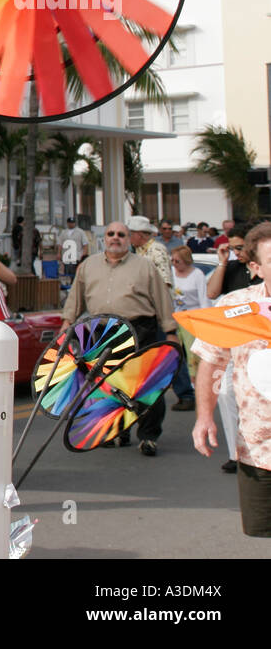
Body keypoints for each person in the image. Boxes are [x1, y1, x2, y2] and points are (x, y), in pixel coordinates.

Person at [61, 221, 179, 456]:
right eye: (111, 234)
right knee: (108, 385)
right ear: (104, 238)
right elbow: (76, 298)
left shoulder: (145, 267)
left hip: (139, 328)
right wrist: (67, 324)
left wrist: (170, 331)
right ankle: (117, 433)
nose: (116, 238)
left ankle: (148, 436)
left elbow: (162, 299)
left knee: (145, 385)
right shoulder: (88, 266)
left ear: (129, 239)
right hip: (102, 331)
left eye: (121, 234)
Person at [191, 220, 271, 536]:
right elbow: (210, 365)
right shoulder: (234, 306)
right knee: (262, 532)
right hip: (258, 448)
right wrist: (204, 417)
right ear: (256, 267)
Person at [169, 246, 206, 412]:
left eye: (178, 261)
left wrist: (204, 322)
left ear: (187, 261)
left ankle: (198, 389)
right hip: (175, 318)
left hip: (193, 318)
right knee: (176, 353)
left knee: (193, 357)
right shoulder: (170, 272)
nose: (175, 264)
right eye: (173, 260)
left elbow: (204, 299)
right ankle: (182, 386)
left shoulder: (197, 274)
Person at [206, 224, 257, 300]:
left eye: (239, 248)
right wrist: (222, 262)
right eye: (231, 248)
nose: (236, 252)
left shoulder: (266, 267)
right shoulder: (231, 267)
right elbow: (211, 294)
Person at [129, 215, 172, 288]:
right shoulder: (137, 250)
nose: (128, 237)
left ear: (139, 235)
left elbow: (164, 282)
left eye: (130, 234)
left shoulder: (157, 250)